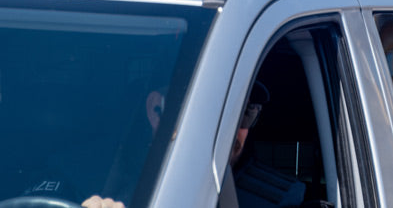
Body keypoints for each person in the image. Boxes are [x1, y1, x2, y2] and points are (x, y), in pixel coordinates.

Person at [82, 82, 270, 208]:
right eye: (218, 109)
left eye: (246, 112)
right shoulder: (93, 187)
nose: (232, 127)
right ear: (156, 110)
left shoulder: (276, 199)